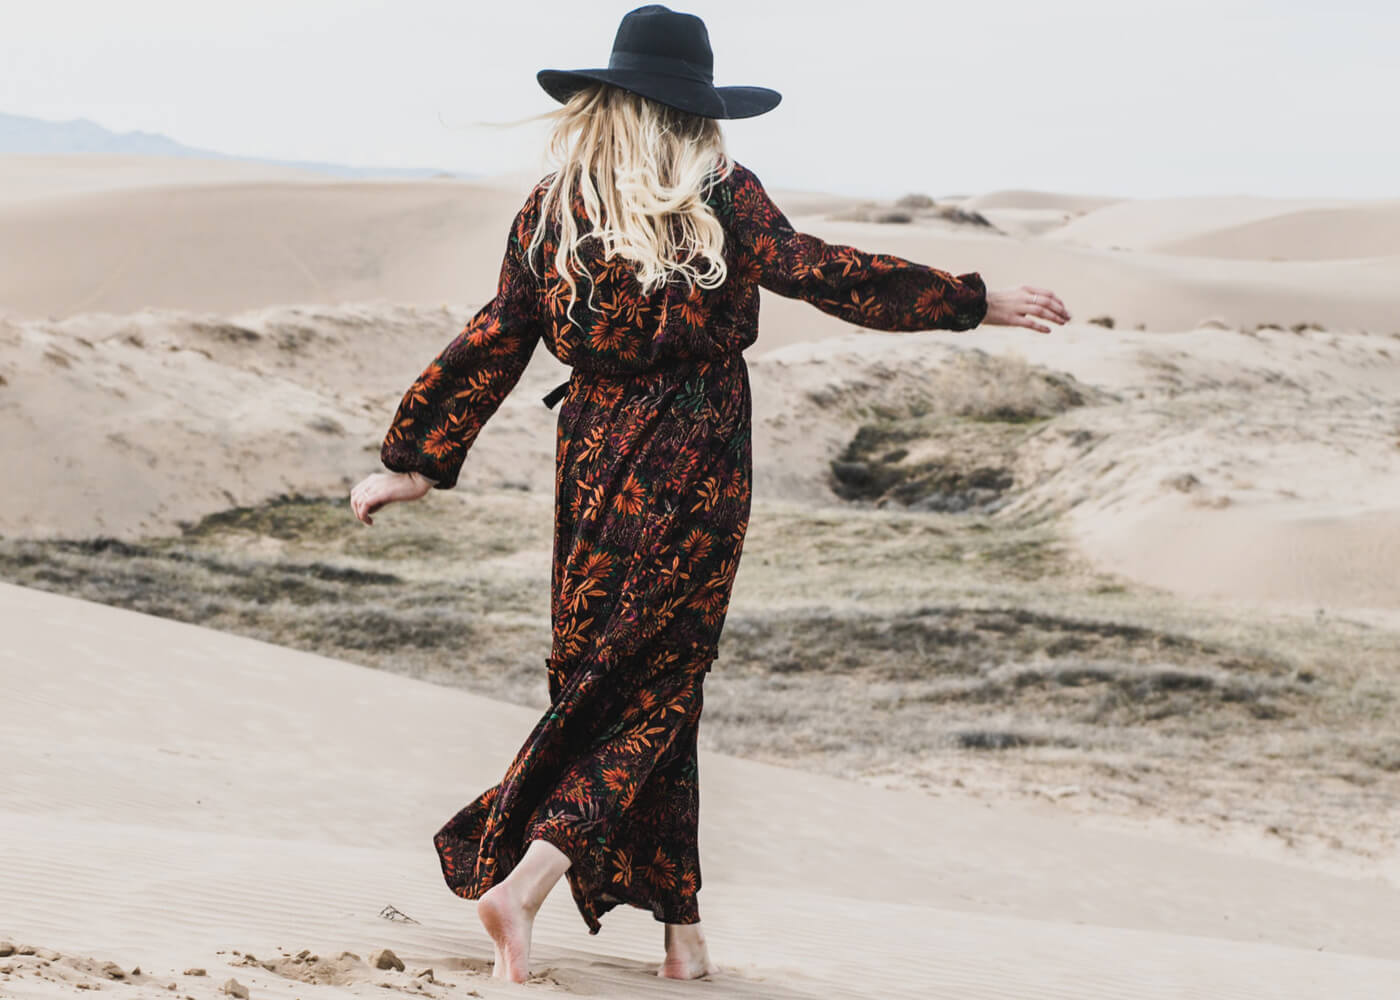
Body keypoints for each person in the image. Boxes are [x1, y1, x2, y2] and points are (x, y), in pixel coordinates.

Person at [348, 2, 1070, 985]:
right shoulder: (722, 195)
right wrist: (970, 301)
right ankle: (527, 879)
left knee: (612, 674)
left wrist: (416, 460)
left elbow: (497, 334)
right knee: (660, 682)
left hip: (592, 457)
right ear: (695, 112)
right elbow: (823, 272)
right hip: (697, 454)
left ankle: (681, 935)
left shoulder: (553, 207)